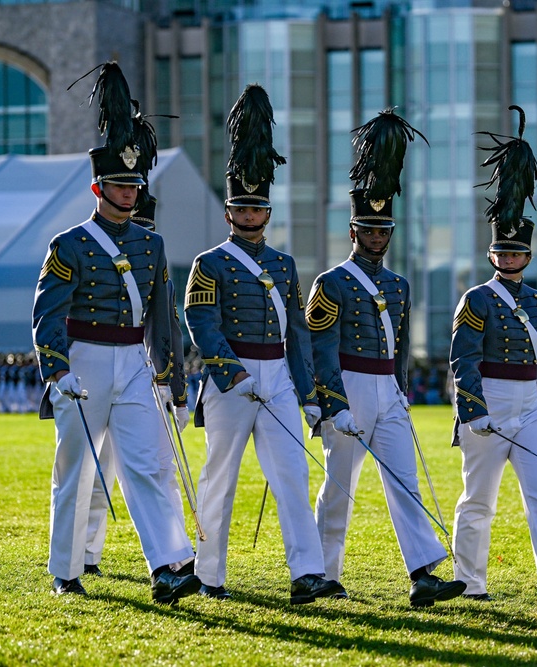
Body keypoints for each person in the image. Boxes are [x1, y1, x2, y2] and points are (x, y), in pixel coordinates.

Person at [32, 62, 199, 602]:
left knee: (149, 464)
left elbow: (161, 319)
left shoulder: (152, 247)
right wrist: (55, 371)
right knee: (76, 470)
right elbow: (47, 312)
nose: (128, 193)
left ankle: (169, 566)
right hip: (81, 359)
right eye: (119, 185)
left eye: (134, 184)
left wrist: (170, 379)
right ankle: (67, 570)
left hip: (131, 363)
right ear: (97, 185)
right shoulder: (70, 245)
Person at [184, 84, 343, 605]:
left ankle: (307, 574)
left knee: (292, 476)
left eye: (258, 208)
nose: (251, 215)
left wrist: (310, 392)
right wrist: (232, 373)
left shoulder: (284, 265)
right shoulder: (209, 263)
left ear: (267, 212)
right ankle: (209, 575)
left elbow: (297, 334)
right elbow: (201, 322)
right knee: (219, 480)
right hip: (231, 381)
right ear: (229, 212)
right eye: (242, 208)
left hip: (276, 375)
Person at [306, 109, 466, 607]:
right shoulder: (330, 282)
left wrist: (398, 388)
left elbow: (398, 346)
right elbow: (320, 347)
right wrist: (332, 403)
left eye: (383, 230)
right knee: (339, 486)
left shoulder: (399, 285)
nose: (377, 238)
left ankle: (422, 573)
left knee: (405, 481)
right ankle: (322, 572)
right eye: (368, 230)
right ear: (353, 231)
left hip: (386, 389)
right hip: (348, 386)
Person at [449, 107, 537, 605]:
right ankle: (470, 582)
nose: (509, 259)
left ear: (527, 256)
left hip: (528, 400)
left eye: (516, 254)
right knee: (479, 500)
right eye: (502, 253)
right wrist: (473, 410)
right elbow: (461, 360)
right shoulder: (477, 298)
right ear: (492, 256)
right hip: (487, 400)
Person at [83, 192, 194, 579]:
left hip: (146, 382)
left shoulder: (152, 262)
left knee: (159, 472)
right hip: (109, 373)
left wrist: (176, 390)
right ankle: (84, 553)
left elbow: (169, 330)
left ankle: (177, 555)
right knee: (96, 474)